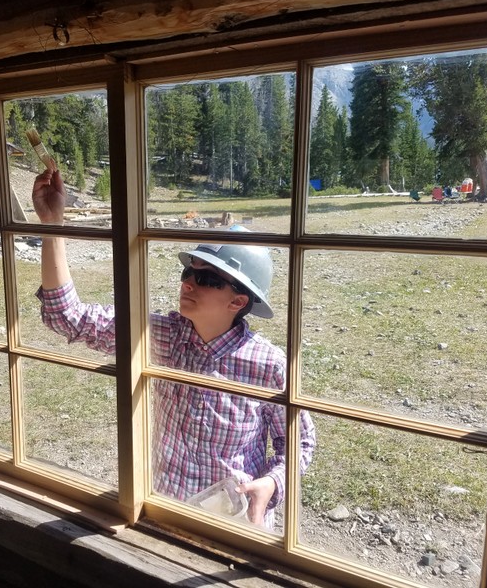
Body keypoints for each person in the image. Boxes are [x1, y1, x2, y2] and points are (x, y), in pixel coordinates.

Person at [32, 169, 316, 528]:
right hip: (162, 512)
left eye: (208, 278)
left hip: (235, 524)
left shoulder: (268, 365)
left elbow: (300, 444)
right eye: (188, 273)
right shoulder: (163, 335)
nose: (189, 283)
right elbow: (66, 317)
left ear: (238, 301)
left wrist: (272, 483)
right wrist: (52, 222)